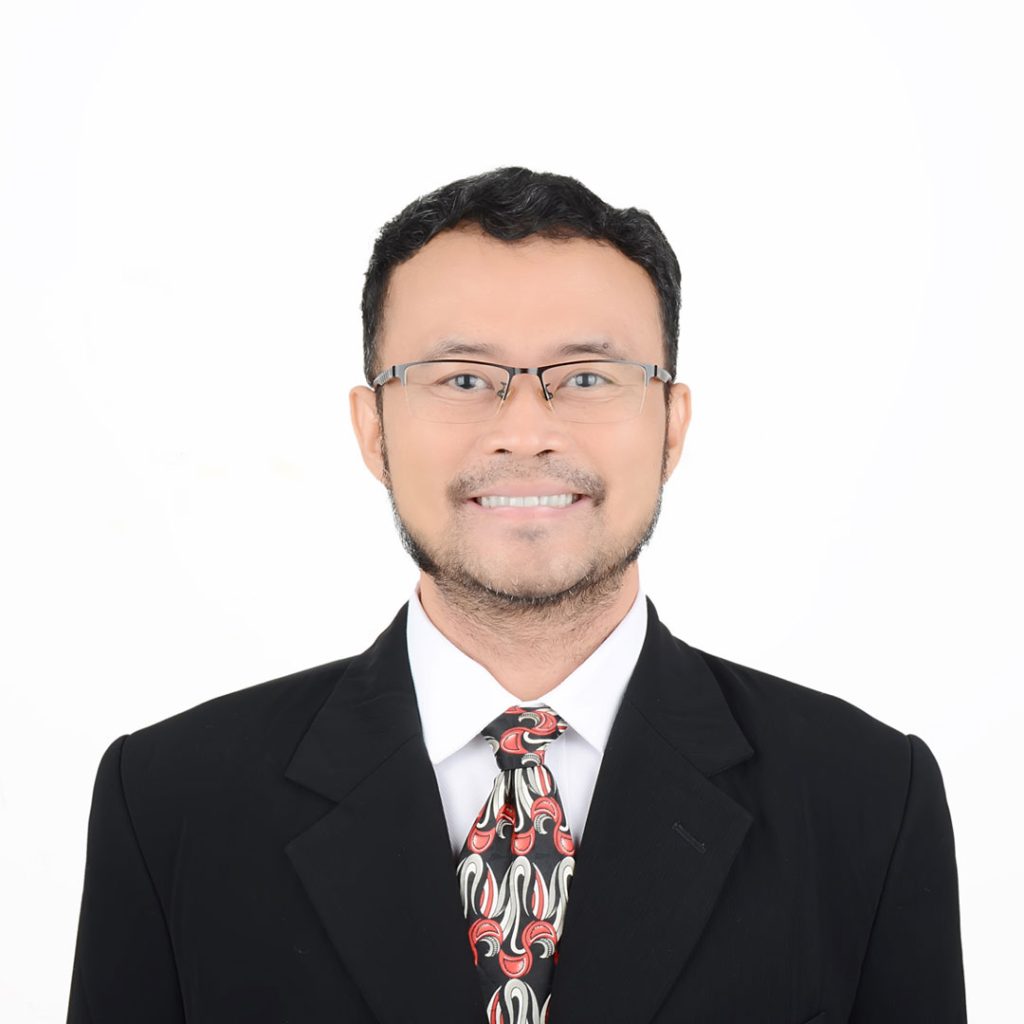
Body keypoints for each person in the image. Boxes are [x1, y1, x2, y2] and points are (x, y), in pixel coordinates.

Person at [66, 167, 967, 1024]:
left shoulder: (867, 801)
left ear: (672, 427)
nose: (526, 431)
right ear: (373, 431)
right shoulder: (172, 804)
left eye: (587, 377)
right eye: (463, 378)